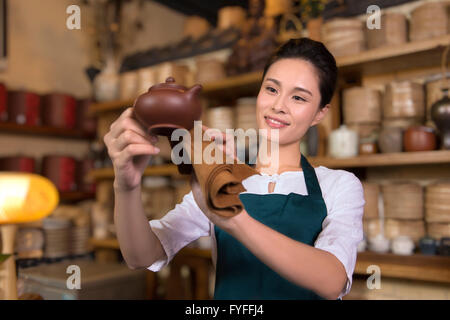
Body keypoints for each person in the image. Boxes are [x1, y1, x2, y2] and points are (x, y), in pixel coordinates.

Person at [103, 38, 365, 300]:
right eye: (272, 89)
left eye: (298, 97)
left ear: (320, 113)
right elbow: (141, 256)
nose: (278, 106)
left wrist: (233, 220)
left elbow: (332, 280)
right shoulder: (219, 177)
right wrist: (126, 186)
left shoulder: (338, 185)